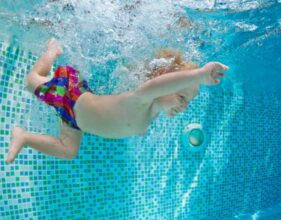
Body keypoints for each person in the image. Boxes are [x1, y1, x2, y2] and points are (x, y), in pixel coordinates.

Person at [6, 38, 229, 163]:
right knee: (31, 81)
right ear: (166, 82)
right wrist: (199, 75)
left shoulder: (152, 111)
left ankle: (24, 137)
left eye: (188, 102)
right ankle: (52, 50)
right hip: (70, 96)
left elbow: (164, 91)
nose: (184, 105)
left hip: (75, 121)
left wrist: (183, 90)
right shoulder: (141, 100)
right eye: (182, 96)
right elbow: (156, 86)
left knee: (68, 151)